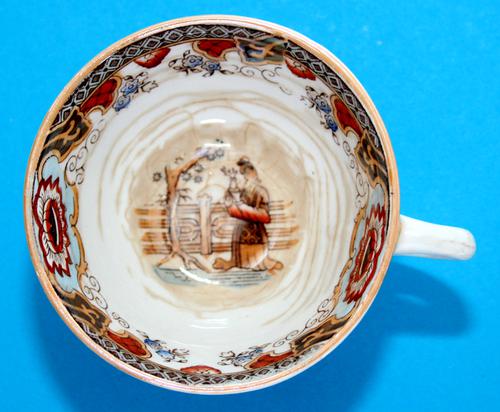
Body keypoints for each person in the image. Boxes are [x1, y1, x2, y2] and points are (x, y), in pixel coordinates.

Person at [213, 156, 283, 274]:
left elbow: (264, 216)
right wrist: (232, 183)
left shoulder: (262, 191)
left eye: (246, 172)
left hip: (256, 231)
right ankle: (238, 263)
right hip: (240, 229)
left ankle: (262, 263)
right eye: (243, 173)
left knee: (255, 253)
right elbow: (233, 201)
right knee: (240, 253)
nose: (245, 176)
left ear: (253, 172)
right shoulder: (244, 190)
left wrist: (242, 207)